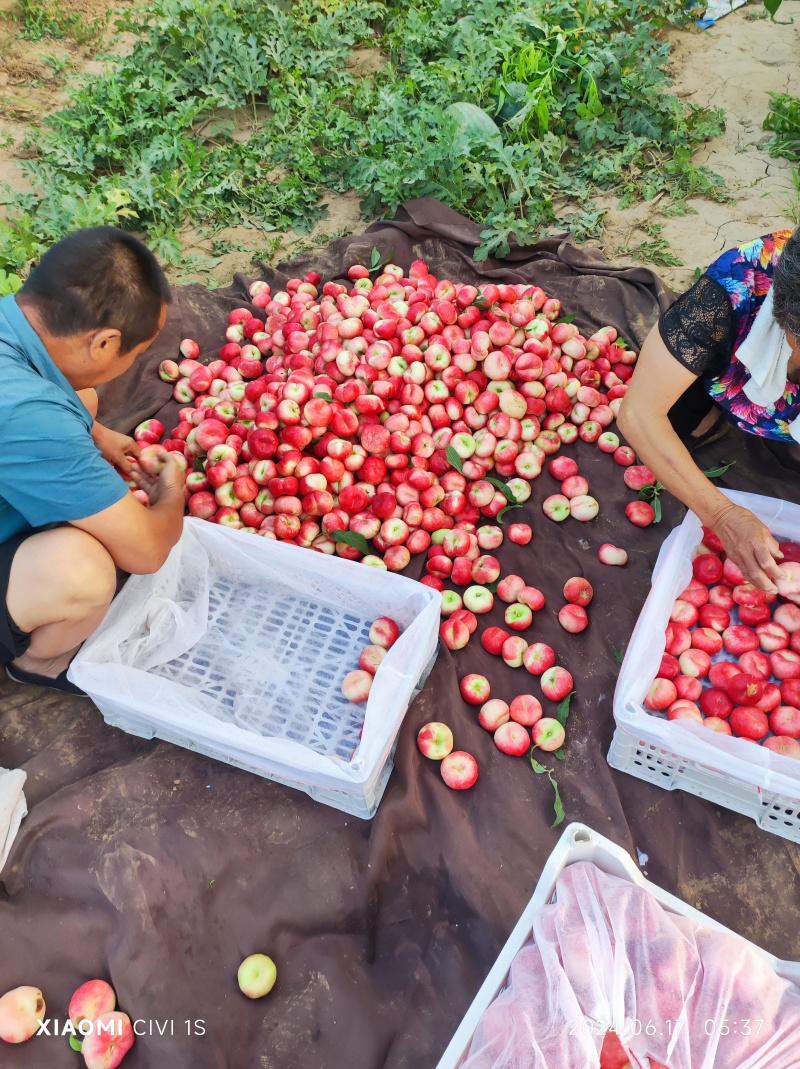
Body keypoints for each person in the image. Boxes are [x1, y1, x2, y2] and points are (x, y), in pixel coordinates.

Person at [0, 226, 185, 694]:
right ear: (103, 343)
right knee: (83, 570)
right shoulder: (30, 416)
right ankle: (39, 663)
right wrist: (172, 492)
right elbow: (146, 551)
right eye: (138, 353)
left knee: (82, 399)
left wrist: (96, 436)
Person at [618, 228, 800, 594]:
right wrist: (721, 514)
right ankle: (713, 413)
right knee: (671, 424)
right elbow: (638, 413)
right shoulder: (739, 283)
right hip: (732, 375)